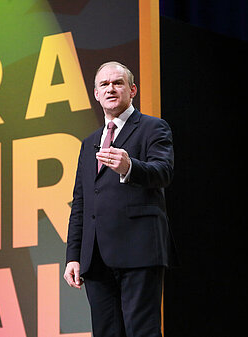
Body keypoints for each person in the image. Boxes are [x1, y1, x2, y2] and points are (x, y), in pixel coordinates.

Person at [64, 61, 175, 337]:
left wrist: (130, 167)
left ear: (132, 89)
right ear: (96, 94)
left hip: (139, 250)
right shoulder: (89, 142)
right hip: (96, 256)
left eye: (118, 83)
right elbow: (81, 203)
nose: (110, 88)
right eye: (104, 84)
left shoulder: (152, 128)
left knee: (142, 332)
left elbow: (163, 173)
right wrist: (73, 256)